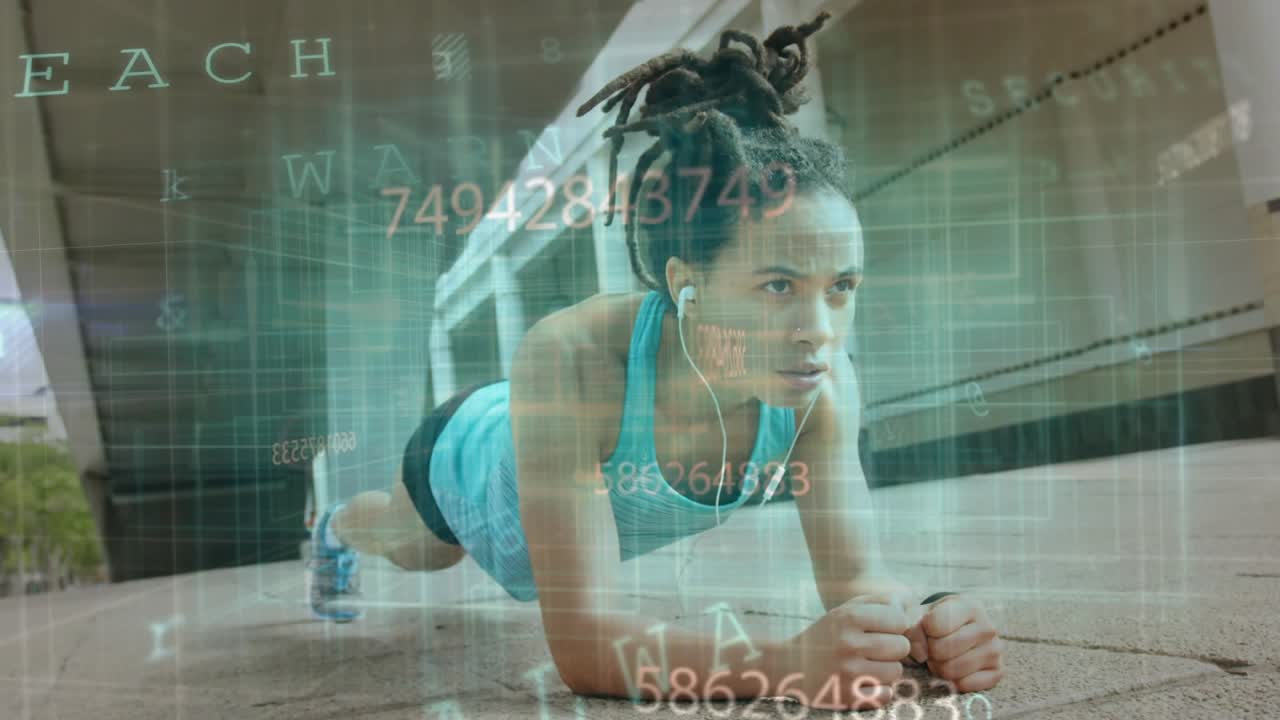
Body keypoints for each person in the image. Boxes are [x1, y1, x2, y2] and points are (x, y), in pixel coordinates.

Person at [305, 11, 1004, 711]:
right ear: (683, 284)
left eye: (841, 288)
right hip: (463, 454)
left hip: (545, 436)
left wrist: (921, 626)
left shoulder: (821, 385)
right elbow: (585, 647)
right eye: (778, 286)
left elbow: (856, 579)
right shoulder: (571, 355)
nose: (817, 332)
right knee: (417, 548)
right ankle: (335, 526)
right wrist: (787, 662)